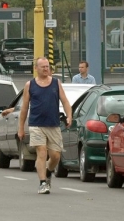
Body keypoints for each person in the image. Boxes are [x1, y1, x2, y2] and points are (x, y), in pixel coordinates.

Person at [18, 56, 73, 194]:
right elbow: (24, 108)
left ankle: (48, 171)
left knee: (55, 156)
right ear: (36, 68)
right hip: (36, 124)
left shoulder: (56, 83)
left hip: (53, 124)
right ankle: (42, 183)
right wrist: (21, 128)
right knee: (41, 152)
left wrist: (69, 116)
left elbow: (65, 101)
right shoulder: (30, 85)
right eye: (43, 66)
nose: (46, 69)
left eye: (47, 66)